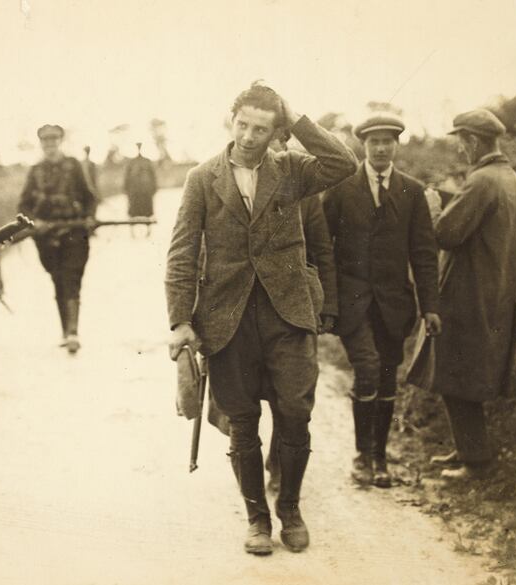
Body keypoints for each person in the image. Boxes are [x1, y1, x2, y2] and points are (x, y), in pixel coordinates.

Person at [166, 83, 356, 555]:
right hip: (226, 319)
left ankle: (289, 508)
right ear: (230, 121)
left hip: (287, 313)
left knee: (296, 413)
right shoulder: (202, 178)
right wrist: (179, 321)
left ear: (276, 132)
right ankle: (257, 519)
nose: (250, 136)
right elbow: (182, 254)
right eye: (242, 124)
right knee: (243, 422)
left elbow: (343, 164)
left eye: (262, 128)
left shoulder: (291, 170)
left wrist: (299, 124)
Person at [322, 113, 441, 489]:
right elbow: (324, 249)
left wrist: (430, 307)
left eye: (388, 141)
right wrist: (326, 302)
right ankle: (361, 455)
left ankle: (380, 456)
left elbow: (423, 254)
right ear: (363, 145)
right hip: (353, 302)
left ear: (396, 146)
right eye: (374, 141)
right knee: (369, 368)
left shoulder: (412, 191)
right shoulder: (341, 190)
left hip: (395, 305)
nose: (381, 148)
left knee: (389, 378)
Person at [408, 109, 516, 480]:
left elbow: (447, 234)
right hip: (494, 294)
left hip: (470, 294)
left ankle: (476, 462)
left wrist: (433, 208)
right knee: (463, 375)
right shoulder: (508, 178)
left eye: (461, 141)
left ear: (473, 140)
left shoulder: (482, 181)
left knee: (458, 376)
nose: (460, 149)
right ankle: (467, 452)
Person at [263, 129, 338, 493]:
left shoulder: (305, 193)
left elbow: (323, 249)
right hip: (253, 304)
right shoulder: (237, 183)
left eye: (281, 143)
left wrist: (329, 306)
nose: (275, 152)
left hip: (295, 303)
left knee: (289, 393)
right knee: (248, 392)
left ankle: (279, 462)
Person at [18, 124, 96, 354]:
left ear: (60, 141)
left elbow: (90, 197)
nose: (50, 145)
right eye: (45, 141)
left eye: (54, 140)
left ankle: (73, 332)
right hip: (46, 237)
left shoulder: (74, 166)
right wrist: (34, 222)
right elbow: (23, 204)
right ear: (41, 143)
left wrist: (90, 217)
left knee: (71, 278)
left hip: (74, 232)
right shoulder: (35, 171)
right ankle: (66, 331)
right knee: (58, 280)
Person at [124, 142, 157, 237]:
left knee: (147, 211)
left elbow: (153, 176)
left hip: (145, 191)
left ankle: (148, 231)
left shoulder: (147, 161)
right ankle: (132, 232)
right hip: (134, 191)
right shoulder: (131, 162)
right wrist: (126, 189)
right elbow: (127, 177)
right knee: (133, 211)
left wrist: (153, 188)